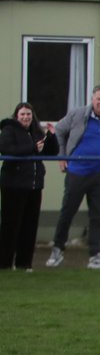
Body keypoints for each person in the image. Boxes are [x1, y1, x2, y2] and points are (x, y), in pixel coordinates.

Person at [46, 85, 100, 269]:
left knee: (97, 215)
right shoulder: (77, 114)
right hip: (77, 172)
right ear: (92, 99)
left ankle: (95, 254)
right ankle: (57, 250)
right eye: (99, 99)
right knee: (67, 213)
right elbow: (59, 131)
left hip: (99, 174)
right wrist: (62, 157)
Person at [1, 102, 58, 270]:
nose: (26, 117)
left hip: (34, 186)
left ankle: (24, 263)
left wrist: (51, 137)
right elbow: (6, 149)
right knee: (10, 226)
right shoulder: (9, 130)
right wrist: (32, 147)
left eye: (28, 114)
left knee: (30, 226)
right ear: (16, 116)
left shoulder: (36, 132)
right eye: (22, 114)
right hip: (13, 186)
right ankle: (4, 263)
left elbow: (50, 152)